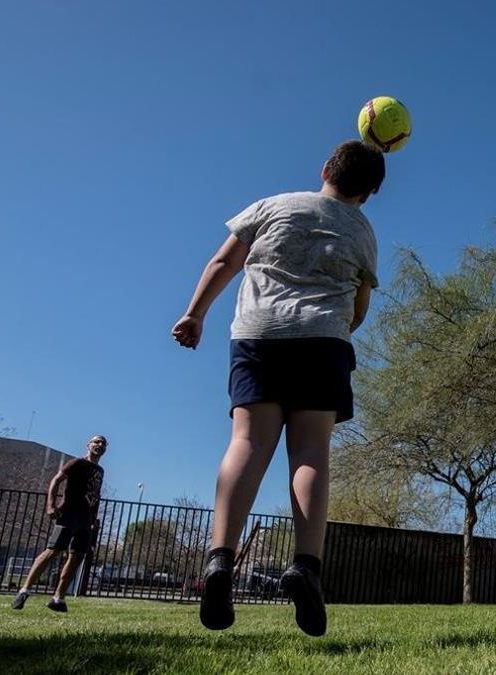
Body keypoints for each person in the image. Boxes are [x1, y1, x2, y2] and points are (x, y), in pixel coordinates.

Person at [171, 140, 384, 637]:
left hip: (258, 335)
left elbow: (224, 261)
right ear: (369, 194)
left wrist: (194, 314)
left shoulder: (274, 206)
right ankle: (306, 566)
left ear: (325, 169)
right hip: (322, 342)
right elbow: (359, 304)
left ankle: (219, 560)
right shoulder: (363, 230)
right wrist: (337, 330)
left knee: (246, 442)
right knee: (310, 450)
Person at [10, 435, 107, 612]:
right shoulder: (77, 463)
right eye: (96, 442)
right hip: (69, 513)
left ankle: (58, 598)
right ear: (88, 445)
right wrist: (51, 505)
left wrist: (94, 518)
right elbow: (56, 480)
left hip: (85, 519)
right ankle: (24, 590)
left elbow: (95, 494)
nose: (100, 445)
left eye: (103, 444)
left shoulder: (100, 471)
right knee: (53, 550)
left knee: (76, 557)